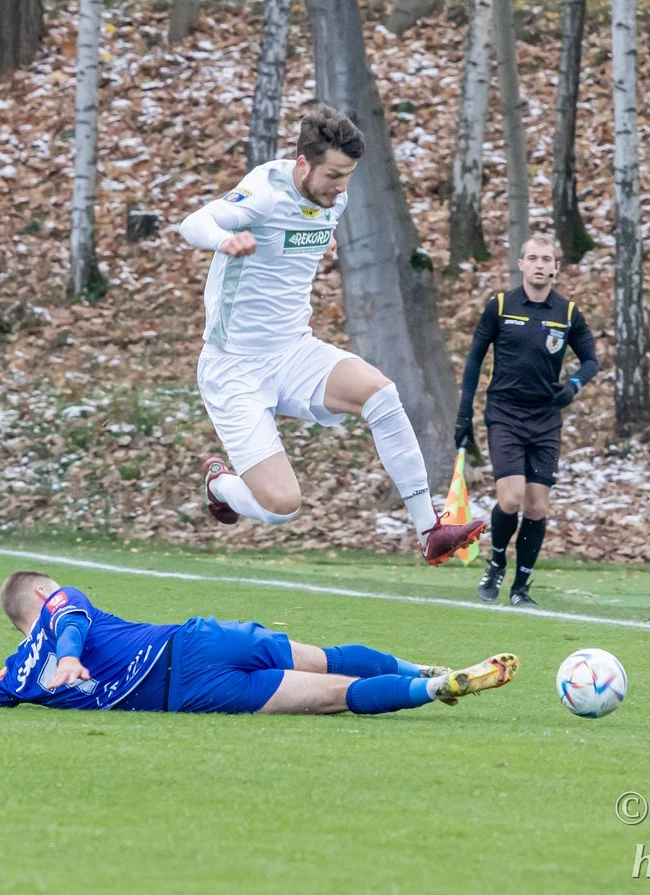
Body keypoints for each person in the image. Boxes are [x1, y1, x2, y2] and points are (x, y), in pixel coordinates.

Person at [179, 104, 485, 565]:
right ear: (303, 163)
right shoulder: (265, 191)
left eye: (349, 176)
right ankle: (220, 484)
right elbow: (194, 223)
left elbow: (305, 232)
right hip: (234, 367)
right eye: (334, 175)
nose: (342, 187)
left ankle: (429, 531)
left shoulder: (332, 199)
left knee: (381, 394)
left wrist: (325, 241)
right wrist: (224, 240)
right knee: (281, 507)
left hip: (294, 351)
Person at [0, 571, 520, 714]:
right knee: (325, 657)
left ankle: (432, 686)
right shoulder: (60, 603)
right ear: (41, 593)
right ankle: (422, 668)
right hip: (199, 640)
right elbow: (69, 621)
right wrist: (69, 651)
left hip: (190, 692)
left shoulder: (17, 676)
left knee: (331, 695)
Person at [454, 234, 599, 607]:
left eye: (546, 259)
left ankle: (521, 587)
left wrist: (573, 386)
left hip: (545, 418)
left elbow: (591, 360)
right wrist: (464, 411)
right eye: (532, 258)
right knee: (512, 497)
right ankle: (497, 562)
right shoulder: (501, 306)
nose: (539, 265)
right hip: (505, 413)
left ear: (556, 268)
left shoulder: (568, 313)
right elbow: (474, 359)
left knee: (536, 507)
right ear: (520, 264)